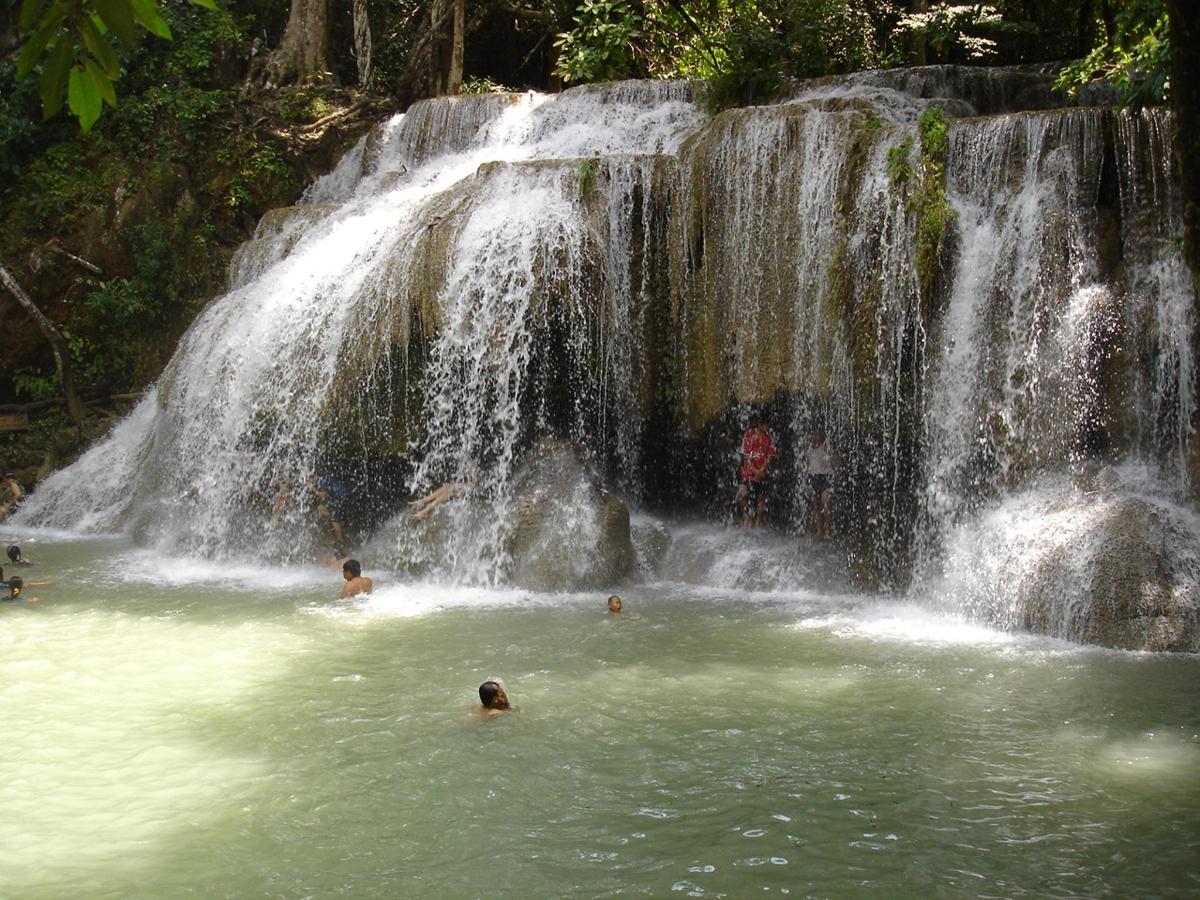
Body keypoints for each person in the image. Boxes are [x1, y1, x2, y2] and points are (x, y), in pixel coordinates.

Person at [736, 419, 777, 527]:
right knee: (741, 494)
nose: (767, 426)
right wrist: (754, 471)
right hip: (748, 472)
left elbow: (769, 457)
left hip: (762, 473)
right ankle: (746, 516)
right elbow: (746, 457)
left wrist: (762, 470)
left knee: (761, 498)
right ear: (759, 424)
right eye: (765, 424)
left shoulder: (769, 437)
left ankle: (758, 520)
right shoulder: (749, 435)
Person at [409, 465, 478, 521]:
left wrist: (472, 471)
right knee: (447, 488)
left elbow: (476, 483)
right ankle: (425, 502)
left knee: (450, 491)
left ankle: (426, 510)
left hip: (477, 492)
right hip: (474, 489)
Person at [805, 429, 837, 540]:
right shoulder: (808, 448)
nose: (814, 436)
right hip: (813, 477)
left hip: (825, 477)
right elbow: (806, 463)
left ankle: (828, 529)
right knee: (816, 506)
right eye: (813, 434)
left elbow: (834, 461)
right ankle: (819, 529)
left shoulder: (826, 447)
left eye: (817, 434)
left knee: (826, 503)